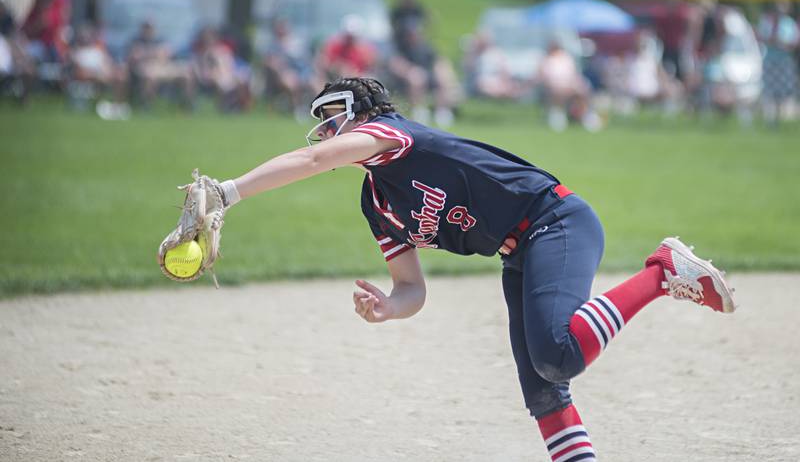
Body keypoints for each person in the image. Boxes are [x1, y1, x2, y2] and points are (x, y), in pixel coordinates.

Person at [202, 76, 736, 461]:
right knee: (544, 389)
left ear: (359, 113)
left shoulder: (393, 136)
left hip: (556, 221)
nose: (324, 135)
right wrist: (390, 307)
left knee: (559, 354)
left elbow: (315, 161)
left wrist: (227, 193)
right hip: (519, 251)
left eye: (329, 119)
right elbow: (412, 289)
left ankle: (662, 272)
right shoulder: (376, 203)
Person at [127, 20, 195, 110]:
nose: (148, 30)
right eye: (146, 27)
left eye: (150, 27)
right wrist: (155, 53)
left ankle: (187, 104)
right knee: (150, 76)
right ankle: (146, 104)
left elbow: (167, 53)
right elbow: (135, 56)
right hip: (145, 69)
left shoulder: (160, 39)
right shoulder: (136, 40)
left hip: (163, 68)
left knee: (187, 75)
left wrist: (148, 53)